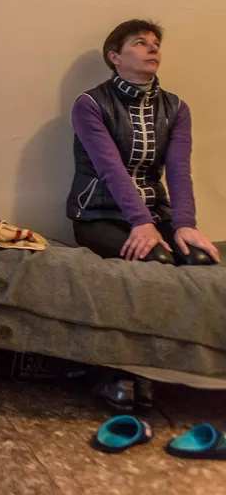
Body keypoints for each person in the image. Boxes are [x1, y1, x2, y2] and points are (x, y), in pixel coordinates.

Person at [67, 20, 219, 411]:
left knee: (198, 260)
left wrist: (185, 224)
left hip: (154, 214)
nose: (153, 49)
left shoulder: (175, 107)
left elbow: (179, 170)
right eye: (140, 43)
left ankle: (171, 368)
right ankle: (117, 374)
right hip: (99, 215)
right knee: (153, 262)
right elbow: (110, 169)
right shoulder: (90, 104)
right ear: (115, 57)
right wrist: (141, 223)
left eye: (156, 44)